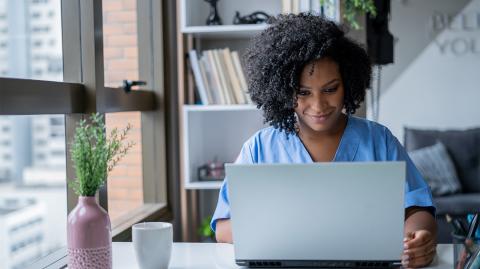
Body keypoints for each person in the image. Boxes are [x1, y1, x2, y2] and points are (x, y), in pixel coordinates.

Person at [211, 13, 437, 268]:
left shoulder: (379, 140)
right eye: (303, 92)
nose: (318, 105)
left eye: (330, 89)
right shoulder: (259, 148)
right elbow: (223, 228)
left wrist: (420, 237)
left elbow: (417, 208)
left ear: (348, 84)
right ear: (283, 91)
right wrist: (291, 228)